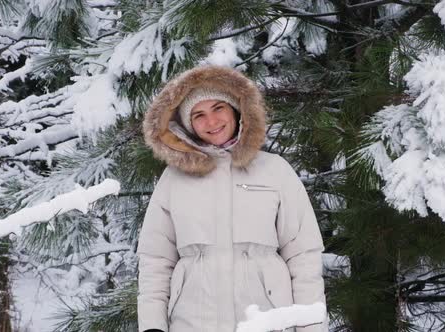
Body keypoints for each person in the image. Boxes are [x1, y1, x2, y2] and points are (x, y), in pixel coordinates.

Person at [137, 66, 326, 332]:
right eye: (198, 115)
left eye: (218, 108)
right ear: (187, 125)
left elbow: (304, 257)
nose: (211, 122)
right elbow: (155, 262)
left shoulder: (275, 170)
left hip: (267, 322)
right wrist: (152, 328)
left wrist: (311, 327)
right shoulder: (173, 180)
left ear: (236, 110)